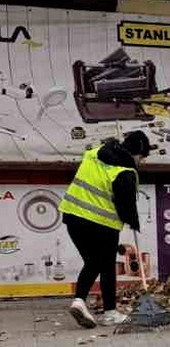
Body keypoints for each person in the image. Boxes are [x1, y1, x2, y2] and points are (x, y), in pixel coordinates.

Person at [59, 131, 150, 328]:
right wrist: (134, 222)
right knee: (105, 264)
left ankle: (80, 301)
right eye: (142, 158)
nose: (141, 162)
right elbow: (126, 207)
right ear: (137, 153)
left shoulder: (94, 153)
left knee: (93, 262)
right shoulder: (125, 173)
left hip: (72, 216)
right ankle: (108, 313)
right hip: (101, 223)